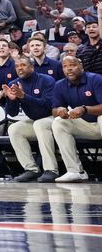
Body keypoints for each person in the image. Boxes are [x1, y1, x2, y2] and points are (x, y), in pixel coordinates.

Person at [3, 55, 60, 182]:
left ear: (32, 67)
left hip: (52, 119)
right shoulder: (14, 84)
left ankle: (51, 169)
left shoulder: (46, 80)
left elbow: (48, 106)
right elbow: (11, 113)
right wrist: (11, 99)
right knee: (14, 129)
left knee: (40, 124)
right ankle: (31, 169)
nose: (19, 68)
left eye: (23, 65)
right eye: (17, 66)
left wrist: (24, 96)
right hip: (35, 121)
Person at [49, 54, 102, 182]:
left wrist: (85, 109)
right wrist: (59, 111)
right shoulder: (59, 85)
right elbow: (54, 109)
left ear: (81, 66)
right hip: (86, 127)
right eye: (65, 66)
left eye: (72, 65)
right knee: (58, 122)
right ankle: (75, 171)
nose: (69, 69)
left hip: (99, 120)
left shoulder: (95, 79)